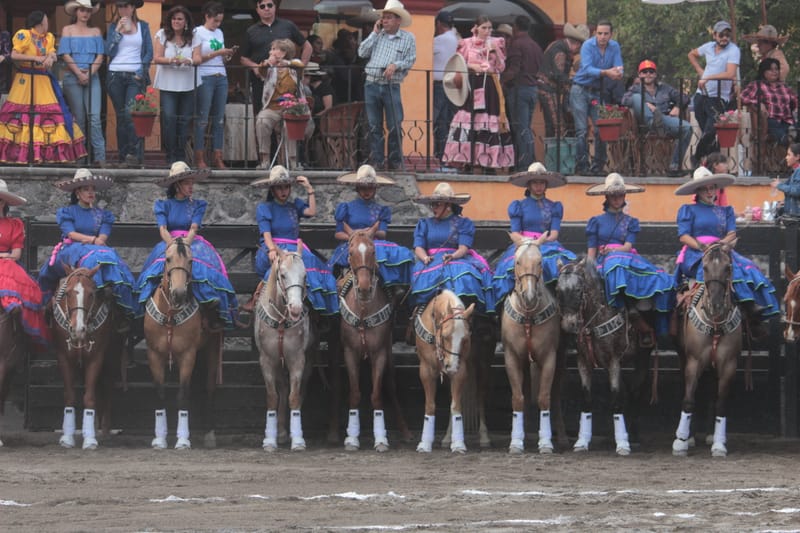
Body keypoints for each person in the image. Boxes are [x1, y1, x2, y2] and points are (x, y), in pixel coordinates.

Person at [674, 167, 779, 337]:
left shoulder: (726, 211)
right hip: (696, 253)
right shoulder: (688, 210)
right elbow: (684, 236)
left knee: (748, 268)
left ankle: (750, 313)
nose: (710, 192)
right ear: (697, 191)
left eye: (712, 188)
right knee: (717, 270)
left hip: (721, 250)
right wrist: (702, 247)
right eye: (705, 188)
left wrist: (720, 245)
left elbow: (732, 233)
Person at [135, 162, 238, 330]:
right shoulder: (163, 205)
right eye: (186, 183)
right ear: (177, 185)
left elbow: (194, 228)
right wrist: (173, 245)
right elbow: (162, 229)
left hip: (192, 241)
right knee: (154, 271)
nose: (191, 187)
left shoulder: (198, 205)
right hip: (170, 242)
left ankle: (210, 306)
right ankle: (143, 312)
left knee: (200, 265)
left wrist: (185, 244)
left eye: (192, 183)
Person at [37, 169, 136, 331]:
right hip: (73, 247)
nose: (90, 192)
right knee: (92, 259)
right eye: (86, 189)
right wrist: (92, 240)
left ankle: (120, 309)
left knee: (111, 259)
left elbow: (103, 236)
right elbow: (71, 233)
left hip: (96, 248)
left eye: (92, 189)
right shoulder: (68, 212)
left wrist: (98, 241)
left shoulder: (102, 214)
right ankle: (47, 308)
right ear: (77, 192)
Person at [585, 173, 675, 340]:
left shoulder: (631, 221)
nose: (617, 198)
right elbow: (591, 253)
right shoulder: (595, 221)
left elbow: (627, 246)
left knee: (662, 279)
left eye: (620, 194)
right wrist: (588, 270)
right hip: (604, 261)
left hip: (626, 257)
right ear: (607, 196)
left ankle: (648, 319)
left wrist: (612, 251)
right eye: (613, 195)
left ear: (625, 196)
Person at [0, 11, 88, 164]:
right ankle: (19, 156)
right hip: (26, 80)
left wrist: (50, 57)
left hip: (43, 80)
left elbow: (53, 53)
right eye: (46, 20)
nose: (48, 23)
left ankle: (47, 156)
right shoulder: (24, 34)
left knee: (50, 116)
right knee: (22, 115)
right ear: (40, 22)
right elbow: (14, 55)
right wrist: (35, 58)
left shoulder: (49, 37)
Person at [248, 166, 338, 315]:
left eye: (286, 187)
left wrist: (310, 189)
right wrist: (271, 249)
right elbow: (266, 233)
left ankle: (312, 304)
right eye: (279, 188)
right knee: (278, 266)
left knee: (309, 261)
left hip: (295, 249)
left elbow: (312, 211)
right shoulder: (265, 208)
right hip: (275, 247)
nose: (283, 191)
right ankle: (257, 297)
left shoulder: (294, 205)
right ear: (272, 190)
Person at [493, 163, 576, 306]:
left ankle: (559, 305)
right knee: (508, 269)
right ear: (529, 185)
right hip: (523, 244)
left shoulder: (554, 206)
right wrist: (528, 242)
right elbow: (515, 233)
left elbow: (554, 234)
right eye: (535, 183)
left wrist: (541, 242)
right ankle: (504, 311)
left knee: (560, 267)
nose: (539, 186)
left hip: (547, 244)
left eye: (542, 183)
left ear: (546, 185)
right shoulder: (518, 206)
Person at [327, 164, 414, 296]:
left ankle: (392, 285)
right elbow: (339, 234)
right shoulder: (346, 208)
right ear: (357, 188)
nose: (366, 191)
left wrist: (370, 233)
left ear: (375, 188)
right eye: (363, 187)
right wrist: (357, 236)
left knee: (396, 252)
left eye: (370, 187)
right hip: (352, 244)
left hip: (374, 242)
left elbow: (382, 233)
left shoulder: (382, 210)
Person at [410, 182, 495, 316]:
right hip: (430, 260)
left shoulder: (463, 223)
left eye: (438, 204)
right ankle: (422, 310)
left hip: (456, 258)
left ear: (448, 206)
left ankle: (466, 313)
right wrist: (424, 257)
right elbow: (418, 247)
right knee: (423, 275)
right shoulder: (425, 224)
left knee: (464, 274)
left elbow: (463, 248)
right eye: (432, 204)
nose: (434, 207)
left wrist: (453, 256)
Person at [442, 15, 514, 172]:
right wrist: (472, 67)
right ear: (476, 28)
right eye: (484, 28)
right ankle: (467, 159)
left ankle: (489, 160)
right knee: (470, 119)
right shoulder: (466, 43)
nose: (487, 31)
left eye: (489, 28)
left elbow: (501, 67)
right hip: (472, 85)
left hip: (490, 86)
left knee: (489, 121)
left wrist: (495, 53)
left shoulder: (496, 43)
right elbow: (459, 63)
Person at [358, 0, 416, 171]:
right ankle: (377, 161)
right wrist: (374, 33)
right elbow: (361, 52)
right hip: (372, 83)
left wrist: (396, 65)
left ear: (398, 20)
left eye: (389, 17)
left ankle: (395, 161)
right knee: (374, 125)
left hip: (392, 84)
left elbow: (411, 59)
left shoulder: (408, 38)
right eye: (384, 17)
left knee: (395, 125)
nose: (385, 21)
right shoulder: (377, 35)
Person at [570, 20, 624, 176]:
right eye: (600, 33)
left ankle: (598, 166)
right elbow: (587, 69)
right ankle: (582, 166)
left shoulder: (614, 46)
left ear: (611, 35)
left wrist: (618, 72)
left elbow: (619, 65)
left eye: (606, 33)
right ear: (595, 34)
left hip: (597, 91)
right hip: (580, 89)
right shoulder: (587, 45)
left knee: (601, 129)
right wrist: (607, 72)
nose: (602, 37)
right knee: (581, 130)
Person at [239, 0, 310, 117]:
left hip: (286, 80)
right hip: (261, 80)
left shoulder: (288, 25)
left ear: (275, 7)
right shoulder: (251, 31)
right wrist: (256, 68)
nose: (266, 8)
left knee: (289, 114)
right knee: (261, 114)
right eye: (262, 6)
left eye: (269, 5)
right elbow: (243, 58)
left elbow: (307, 46)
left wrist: (300, 68)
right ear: (257, 10)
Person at [621, 59, 691, 176]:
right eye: (644, 72)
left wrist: (678, 107)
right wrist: (645, 104)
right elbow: (624, 100)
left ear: (655, 74)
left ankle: (674, 166)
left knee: (687, 128)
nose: (648, 74)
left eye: (651, 71)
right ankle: (654, 121)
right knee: (636, 98)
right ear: (639, 74)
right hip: (643, 124)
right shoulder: (635, 88)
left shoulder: (665, 88)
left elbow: (684, 98)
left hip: (664, 120)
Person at [106, 0, 153, 168]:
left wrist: (141, 72)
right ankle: (123, 158)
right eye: (119, 6)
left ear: (133, 8)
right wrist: (117, 32)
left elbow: (149, 52)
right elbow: (108, 51)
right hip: (115, 75)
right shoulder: (113, 27)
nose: (123, 9)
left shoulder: (143, 26)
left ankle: (134, 154)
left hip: (135, 76)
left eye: (126, 5)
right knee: (121, 118)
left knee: (130, 114)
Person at [0, 180, 48, 346]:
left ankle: (18, 337)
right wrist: (4, 254)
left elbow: (16, 254)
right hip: (5, 260)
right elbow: (9, 254)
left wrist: (5, 256)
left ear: (4, 203)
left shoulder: (14, 224)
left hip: (8, 266)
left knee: (10, 277)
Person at [59, 0, 106, 167]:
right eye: (81, 10)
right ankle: (80, 158)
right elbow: (64, 54)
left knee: (94, 118)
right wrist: (79, 73)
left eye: (88, 10)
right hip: (73, 77)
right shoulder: (67, 30)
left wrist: (89, 74)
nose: (85, 13)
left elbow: (100, 56)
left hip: (92, 77)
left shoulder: (96, 31)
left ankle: (100, 158)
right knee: (79, 119)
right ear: (76, 12)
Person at [687, 20, 740, 167]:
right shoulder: (709, 47)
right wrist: (700, 70)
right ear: (715, 35)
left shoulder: (733, 50)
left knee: (711, 129)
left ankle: (696, 157)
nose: (725, 38)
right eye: (721, 35)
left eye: (727, 35)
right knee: (706, 129)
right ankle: (713, 159)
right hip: (702, 93)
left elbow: (730, 73)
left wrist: (707, 77)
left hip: (718, 96)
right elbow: (691, 54)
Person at [254, 39, 313, 170]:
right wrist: (270, 62)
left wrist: (284, 63)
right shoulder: (269, 68)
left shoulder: (293, 66)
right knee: (262, 121)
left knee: (289, 125)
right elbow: (260, 71)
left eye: (274, 49)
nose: (271, 51)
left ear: (284, 52)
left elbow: (300, 66)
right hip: (272, 107)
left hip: (291, 107)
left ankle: (292, 161)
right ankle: (265, 160)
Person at [192, 1, 236, 170]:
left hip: (221, 76)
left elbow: (220, 56)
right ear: (207, 16)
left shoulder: (219, 32)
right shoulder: (197, 32)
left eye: (220, 21)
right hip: (205, 76)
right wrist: (218, 52)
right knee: (202, 118)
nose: (217, 24)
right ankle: (199, 157)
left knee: (218, 119)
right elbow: (197, 59)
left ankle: (217, 156)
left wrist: (226, 55)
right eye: (215, 21)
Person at [152, 5, 197, 165]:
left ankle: (181, 156)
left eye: (179, 19)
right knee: (169, 119)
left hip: (188, 83)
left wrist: (188, 60)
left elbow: (198, 58)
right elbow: (156, 57)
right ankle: (170, 155)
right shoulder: (162, 34)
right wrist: (171, 60)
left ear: (185, 21)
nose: (176, 21)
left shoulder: (193, 35)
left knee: (184, 121)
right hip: (167, 83)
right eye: (173, 18)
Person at [501, 16, 543, 171]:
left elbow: (514, 69)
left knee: (520, 128)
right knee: (526, 127)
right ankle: (528, 161)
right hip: (532, 89)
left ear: (516, 27)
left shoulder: (517, 44)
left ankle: (524, 164)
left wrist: (501, 80)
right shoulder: (535, 46)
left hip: (519, 89)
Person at [538, 23, 589, 138]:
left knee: (552, 124)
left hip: (547, 88)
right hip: (548, 89)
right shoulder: (560, 50)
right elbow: (559, 75)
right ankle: (558, 155)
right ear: (577, 44)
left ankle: (551, 153)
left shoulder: (558, 46)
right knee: (558, 125)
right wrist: (573, 84)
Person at [739, 58, 797, 147]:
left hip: (787, 119)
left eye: (776, 69)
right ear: (764, 72)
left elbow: (794, 102)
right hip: (769, 119)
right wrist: (758, 103)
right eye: (771, 69)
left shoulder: (784, 86)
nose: (774, 72)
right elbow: (742, 97)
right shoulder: (757, 85)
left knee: (795, 132)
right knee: (783, 138)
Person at [432, 10, 458, 166]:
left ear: (438, 24)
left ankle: (438, 155)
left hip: (439, 84)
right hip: (451, 85)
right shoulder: (456, 39)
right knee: (445, 122)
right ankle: (443, 156)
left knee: (435, 121)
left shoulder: (439, 40)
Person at [772, 143, 800, 218]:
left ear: (797, 157)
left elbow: (796, 191)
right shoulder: (795, 172)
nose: (786, 157)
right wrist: (785, 201)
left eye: (789, 155)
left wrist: (779, 185)